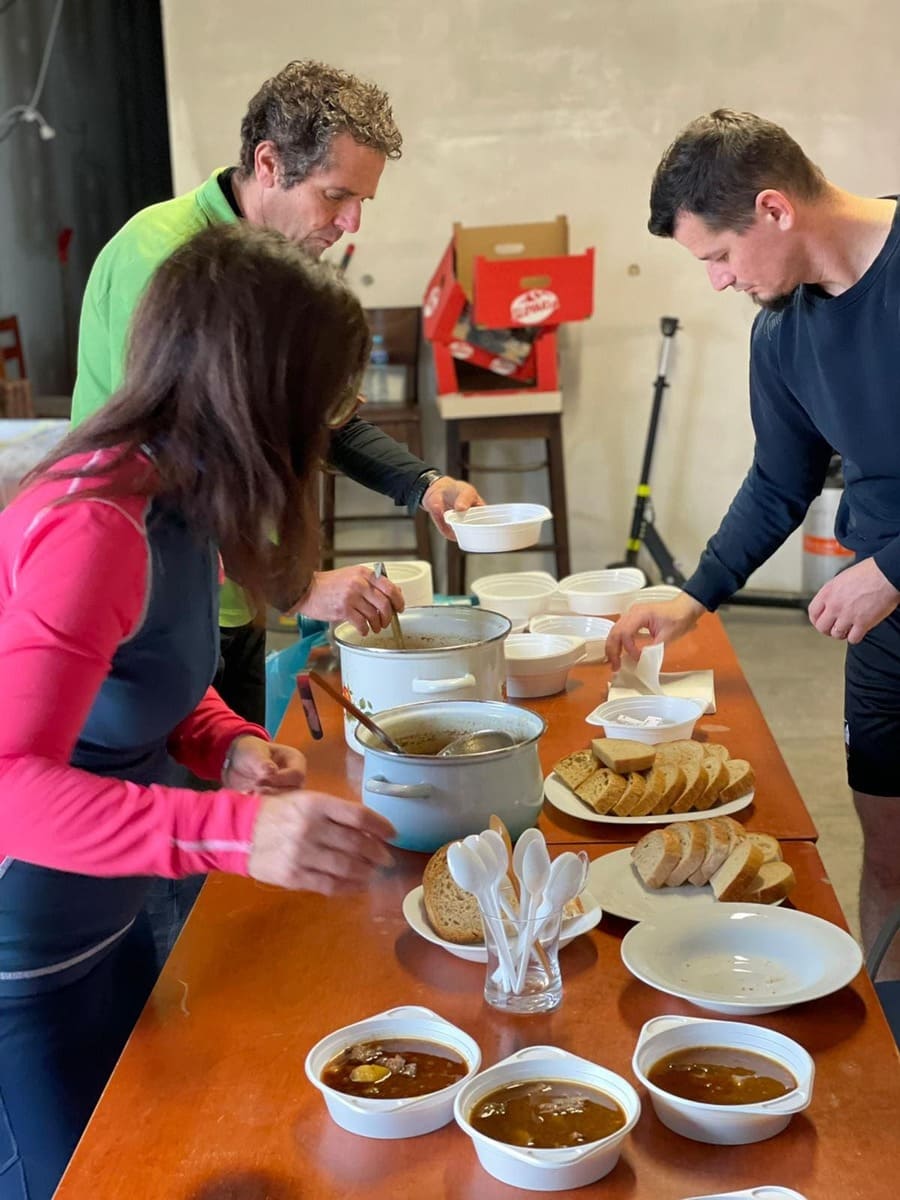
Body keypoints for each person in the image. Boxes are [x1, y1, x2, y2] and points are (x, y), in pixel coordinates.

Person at [0, 223, 397, 1200]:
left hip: (105, 922)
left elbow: (149, 679)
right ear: (254, 392)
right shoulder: (94, 526)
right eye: (321, 399)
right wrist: (234, 834)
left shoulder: (178, 498)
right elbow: (11, 787)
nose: (326, 430)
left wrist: (226, 748)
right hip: (22, 968)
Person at [72, 58, 484, 727]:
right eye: (335, 196)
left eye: (363, 201)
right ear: (269, 164)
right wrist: (299, 588)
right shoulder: (164, 258)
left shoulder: (276, 263)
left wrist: (425, 486)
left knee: (243, 774)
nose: (352, 223)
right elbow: (182, 458)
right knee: (168, 784)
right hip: (147, 601)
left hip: (236, 592)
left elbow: (318, 418)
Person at [606, 108, 900, 977]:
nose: (718, 282)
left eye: (720, 256)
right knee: (889, 858)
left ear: (774, 208)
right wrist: (693, 593)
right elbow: (779, 481)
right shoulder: (782, 330)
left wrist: (891, 568)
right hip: (887, 633)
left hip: (884, 585)